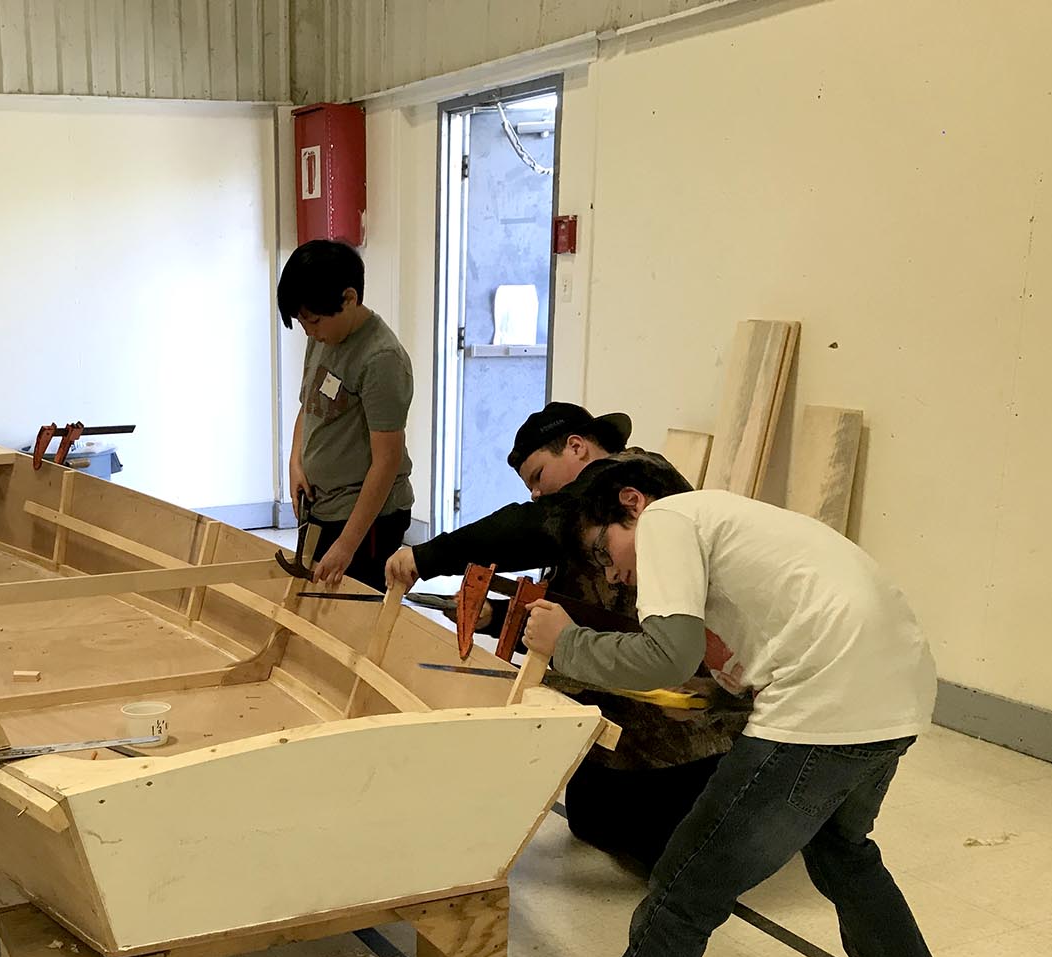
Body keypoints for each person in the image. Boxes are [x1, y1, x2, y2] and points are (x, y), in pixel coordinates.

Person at [504, 457, 981, 957]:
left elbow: (665, 656)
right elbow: (751, 641)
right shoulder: (731, 519)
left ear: (632, 503)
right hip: (898, 698)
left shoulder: (667, 518)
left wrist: (566, 643)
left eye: (603, 552)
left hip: (824, 713)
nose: (613, 575)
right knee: (843, 853)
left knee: (683, 893)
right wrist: (730, 678)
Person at [384, 402, 746, 871]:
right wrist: (495, 616)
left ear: (576, 446)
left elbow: (527, 527)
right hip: (625, 705)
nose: (537, 495)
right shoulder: (592, 527)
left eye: (538, 476)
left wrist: (427, 558)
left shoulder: (635, 476)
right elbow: (583, 613)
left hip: (686, 717)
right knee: (589, 821)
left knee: (661, 853)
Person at [278, 240, 414, 590]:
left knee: (354, 624)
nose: (309, 331)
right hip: (322, 507)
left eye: (314, 320)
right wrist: (296, 463)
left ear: (349, 298)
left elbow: (387, 461)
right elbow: (309, 407)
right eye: (302, 321)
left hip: (367, 522)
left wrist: (347, 544)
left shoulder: (381, 359)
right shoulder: (324, 336)